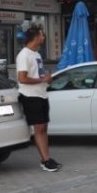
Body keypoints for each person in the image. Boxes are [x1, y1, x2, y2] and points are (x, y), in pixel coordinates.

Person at [16, 26, 61, 172]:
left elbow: (37, 75)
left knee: (44, 128)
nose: (43, 38)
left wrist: (45, 80)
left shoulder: (36, 54)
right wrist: (42, 80)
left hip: (41, 94)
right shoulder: (24, 55)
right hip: (30, 95)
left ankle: (46, 158)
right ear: (35, 37)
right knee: (39, 128)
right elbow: (22, 78)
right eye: (42, 35)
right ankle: (46, 160)